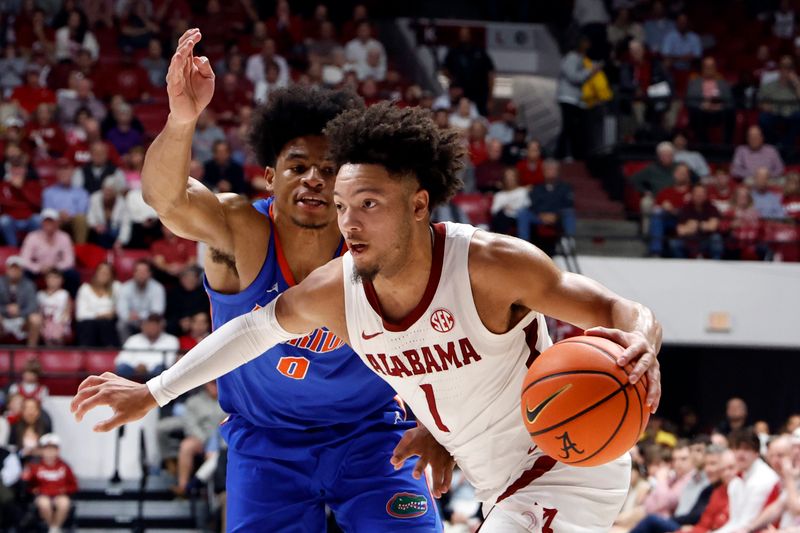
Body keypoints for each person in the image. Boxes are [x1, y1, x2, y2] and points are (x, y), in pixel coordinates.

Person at [73, 101, 663, 532]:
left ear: (418, 205)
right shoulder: (335, 285)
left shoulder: (489, 262)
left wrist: (641, 342)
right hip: (466, 478)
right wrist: (154, 392)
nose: (349, 223)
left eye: (368, 205)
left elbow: (619, 308)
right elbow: (251, 331)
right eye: (343, 207)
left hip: (556, 460)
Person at [76, 28, 447, 532]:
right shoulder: (241, 232)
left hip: (373, 437)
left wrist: (435, 424)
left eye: (328, 168)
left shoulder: (378, 245)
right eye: (297, 166)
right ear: (270, 177)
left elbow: (437, 335)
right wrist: (181, 119)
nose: (313, 178)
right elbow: (168, 200)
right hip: (266, 444)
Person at [22, 433, 77, 533]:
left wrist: (65, 490)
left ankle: (55, 528)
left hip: (59, 495)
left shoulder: (64, 466)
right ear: (41, 451)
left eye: (53, 449)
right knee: (44, 504)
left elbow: (74, 485)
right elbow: (28, 484)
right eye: (47, 449)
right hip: (43, 495)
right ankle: (51, 526)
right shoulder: (35, 466)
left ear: (58, 450)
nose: (50, 453)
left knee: (64, 503)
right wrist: (33, 489)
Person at [114, 314, 178, 380]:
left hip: (157, 374)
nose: (151, 328)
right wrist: (137, 366)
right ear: (142, 326)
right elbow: (120, 360)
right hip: (134, 371)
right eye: (148, 325)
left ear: (161, 326)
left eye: (154, 325)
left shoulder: (171, 340)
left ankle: (152, 390)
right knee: (122, 368)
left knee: (160, 369)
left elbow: (169, 362)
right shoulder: (133, 339)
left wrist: (147, 368)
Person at [115, 260, 165, 342]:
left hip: (150, 321)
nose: (141, 275)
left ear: (150, 274)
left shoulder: (158, 288)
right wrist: (129, 317)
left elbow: (157, 312)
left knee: (161, 323)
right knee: (121, 325)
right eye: (139, 271)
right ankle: (127, 350)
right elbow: (122, 311)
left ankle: (154, 350)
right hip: (131, 321)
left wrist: (141, 316)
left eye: (144, 272)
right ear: (134, 273)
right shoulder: (125, 288)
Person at [0, 256, 42, 346]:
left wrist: (19, 312)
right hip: (3, 318)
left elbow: (33, 306)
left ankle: (31, 353)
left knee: (36, 319)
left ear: (22, 270)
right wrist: (6, 309)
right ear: (7, 269)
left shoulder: (29, 284)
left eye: (17, 269)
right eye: (12, 268)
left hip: (22, 319)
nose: (14, 271)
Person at [74, 262, 119, 347]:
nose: (103, 275)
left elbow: (118, 309)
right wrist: (101, 315)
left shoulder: (116, 287)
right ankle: (85, 353)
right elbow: (81, 314)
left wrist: (112, 313)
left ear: (111, 276)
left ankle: (109, 352)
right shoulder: (85, 289)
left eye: (107, 273)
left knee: (105, 324)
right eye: (101, 272)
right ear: (96, 273)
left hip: (108, 324)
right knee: (89, 325)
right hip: (88, 325)